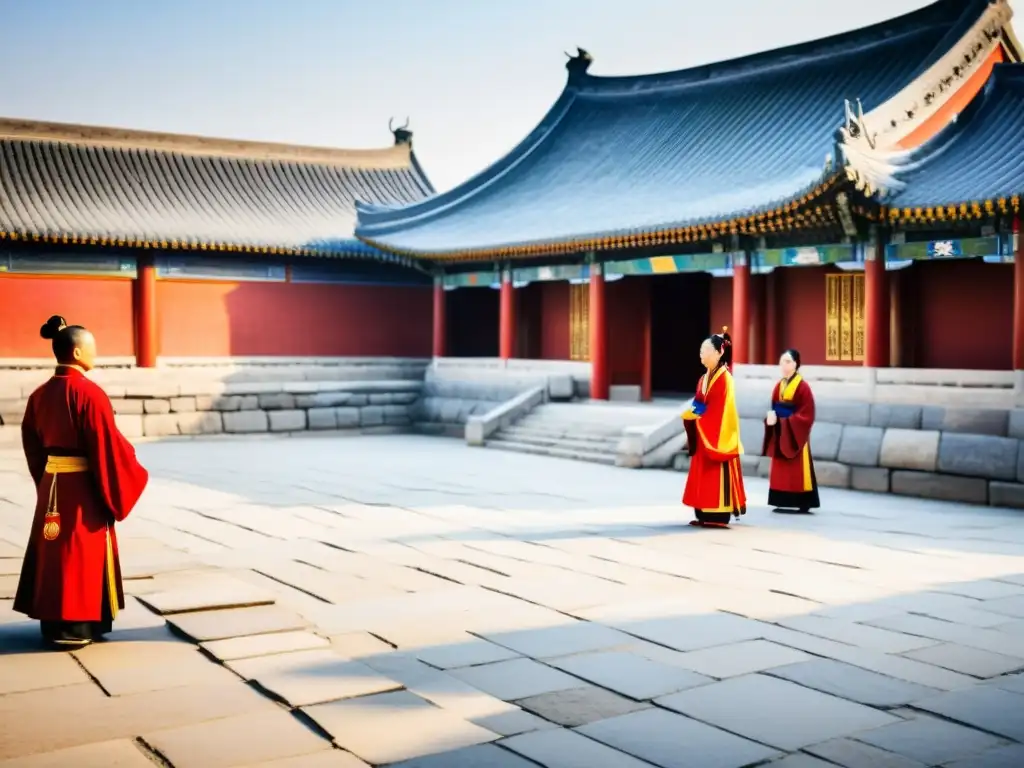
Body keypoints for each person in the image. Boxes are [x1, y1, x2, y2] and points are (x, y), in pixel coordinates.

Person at [14, 315, 149, 647]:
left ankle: (53, 623)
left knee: (54, 554)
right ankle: (79, 624)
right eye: (92, 348)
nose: (96, 354)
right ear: (76, 353)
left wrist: (45, 481)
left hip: (53, 483)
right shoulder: (90, 394)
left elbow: (32, 445)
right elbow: (106, 446)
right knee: (80, 553)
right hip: (82, 488)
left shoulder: (39, 395)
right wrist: (131, 465)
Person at [681, 327, 746, 528]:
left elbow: (721, 409)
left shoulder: (725, 379)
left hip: (718, 434)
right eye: (701, 350)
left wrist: (699, 418)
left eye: (706, 350)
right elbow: (699, 402)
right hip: (703, 433)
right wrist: (692, 415)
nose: (702, 354)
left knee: (716, 472)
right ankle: (701, 511)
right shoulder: (703, 379)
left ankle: (718, 514)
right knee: (702, 473)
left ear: (719, 353)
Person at [762, 348, 820, 514]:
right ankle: (780, 498)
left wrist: (786, 421)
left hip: (795, 433)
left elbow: (807, 414)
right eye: (782, 361)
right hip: (781, 431)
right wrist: (771, 419)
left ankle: (802, 500)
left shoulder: (803, 387)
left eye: (788, 361)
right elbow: (773, 406)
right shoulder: (778, 386)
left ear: (796, 364)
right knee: (781, 468)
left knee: (797, 469)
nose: (784, 365)